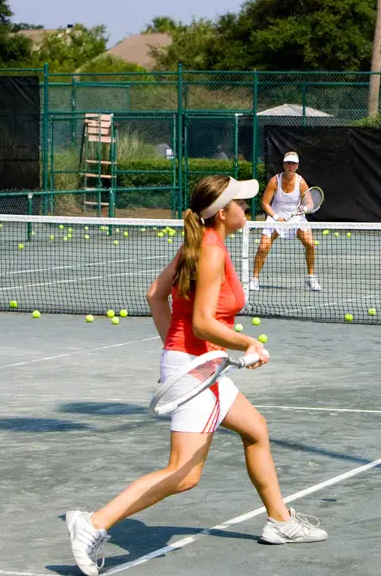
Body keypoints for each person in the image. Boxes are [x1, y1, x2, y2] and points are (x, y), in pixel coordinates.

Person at [65, 175, 327, 576]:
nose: (246, 207)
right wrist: (246, 344)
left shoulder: (202, 243)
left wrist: (175, 349)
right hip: (196, 366)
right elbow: (203, 322)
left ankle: (280, 521)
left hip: (199, 364)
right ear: (223, 214)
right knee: (183, 474)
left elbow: (155, 294)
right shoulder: (211, 252)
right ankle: (94, 524)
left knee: (255, 429)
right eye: (240, 202)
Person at [250, 151, 321, 291]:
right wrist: (276, 217)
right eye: (288, 162)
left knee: (310, 244)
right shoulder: (274, 181)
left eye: (294, 163)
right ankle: (254, 279)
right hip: (276, 216)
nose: (291, 166)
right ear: (283, 164)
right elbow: (265, 203)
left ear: (297, 166)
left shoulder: (301, 182)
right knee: (263, 247)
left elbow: (310, 204)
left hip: (297, 218)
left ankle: (311, 278)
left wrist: (304, 208)